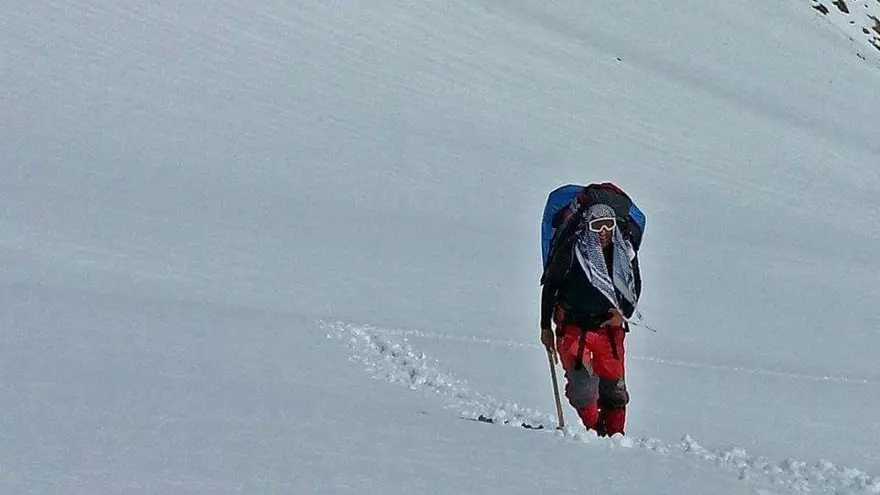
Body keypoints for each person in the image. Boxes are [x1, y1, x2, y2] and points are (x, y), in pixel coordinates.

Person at [540, 202, 642, 436]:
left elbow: (634, 286)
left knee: (614, 390)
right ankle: (595, 431)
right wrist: (545, 326)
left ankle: (616, 437)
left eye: (608, 225)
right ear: (588, 226)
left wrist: (623, 313)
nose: (604, 231)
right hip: (574, 327)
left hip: (609, 329)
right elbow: (551, 286)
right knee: (582, 389)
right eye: (597, 225)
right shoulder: (572, 251)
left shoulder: (624, 253)